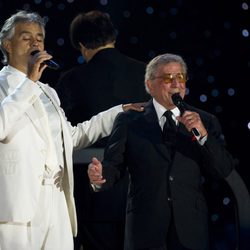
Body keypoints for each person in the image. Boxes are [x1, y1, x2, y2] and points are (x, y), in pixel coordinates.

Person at [0, 10, 143, 250]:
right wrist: (28, 84)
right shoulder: (6, 86)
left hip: (55, 205)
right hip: (18, 210)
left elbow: (71, 138)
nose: (36, 42)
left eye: (40, 37)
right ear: (7, 45)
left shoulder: (48, 93)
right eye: (26, 37)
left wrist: (119, 111)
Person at [88, 53, 236, 250]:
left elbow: (223, 169)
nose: (176, 84)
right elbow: (113, 167)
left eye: (180, 77)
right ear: (150, 85)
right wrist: (99, 177)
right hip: (145, 229)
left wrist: (203, 137)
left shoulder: (205, 121)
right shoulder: (129, 121)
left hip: (190, 229)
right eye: (168, 78)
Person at [56, 10, 149, 250]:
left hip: (92, 195)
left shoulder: (70, 80)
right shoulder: (146, 74)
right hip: (142, 191)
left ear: (81, 45)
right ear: (113, 38)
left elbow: (65, 135)